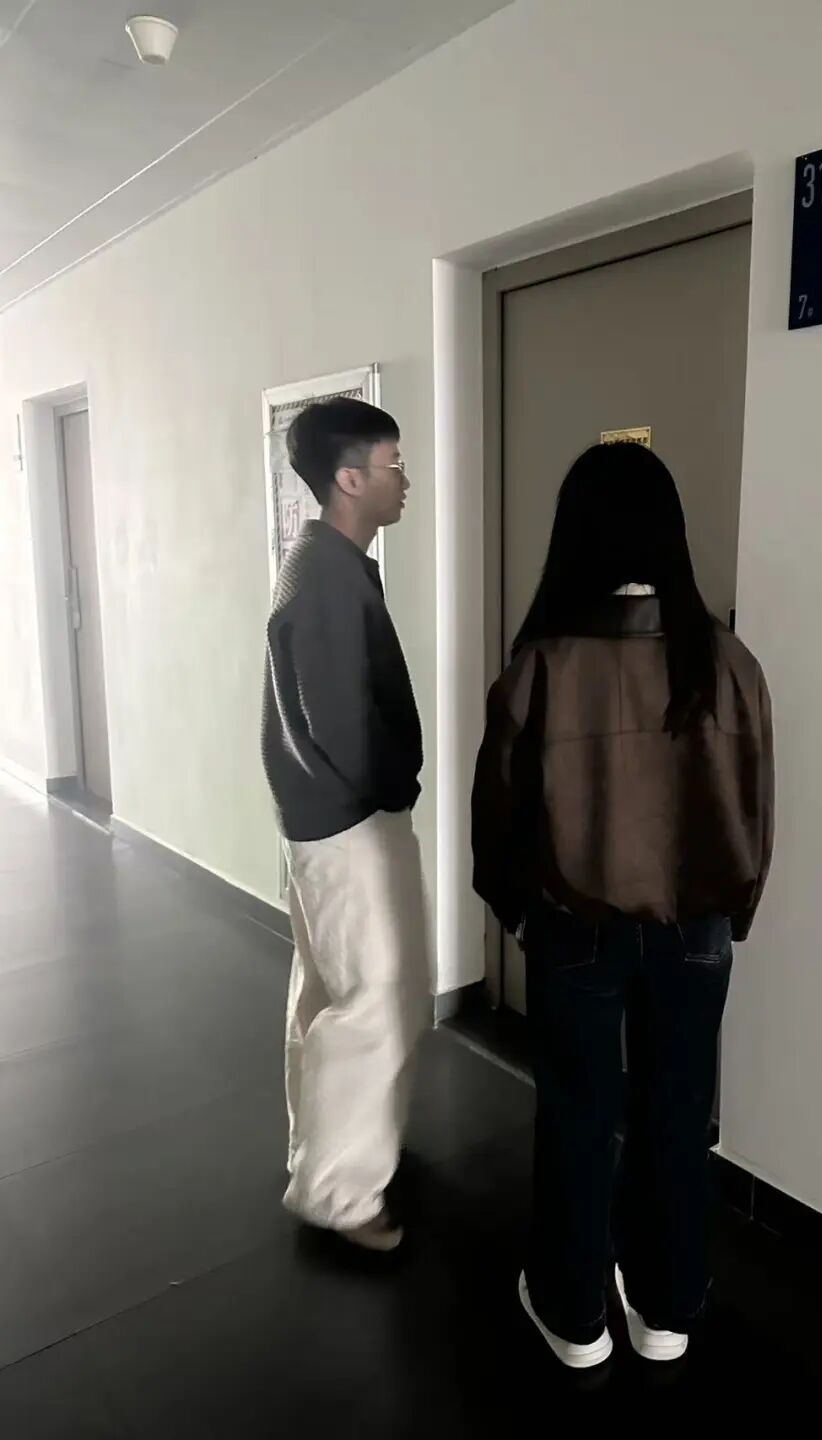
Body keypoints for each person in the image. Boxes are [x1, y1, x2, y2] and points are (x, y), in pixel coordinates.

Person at [471, 442, 774, 1367]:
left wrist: (516, 911)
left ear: (575, 536)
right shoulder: (726, 661)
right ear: (669, 534)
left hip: (575, 929)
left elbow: (500, 812)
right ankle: (666, 1310)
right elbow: (756, 805)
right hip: (697, 930)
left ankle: (575, 1318)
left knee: (577, 1115)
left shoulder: (544, 665)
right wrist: (734, 913)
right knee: (680, 1117)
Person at [261, 397, 430, 1253]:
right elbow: (343, 726)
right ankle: (342, 1193)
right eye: (394, 464)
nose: (406, 480)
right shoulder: (327, 577)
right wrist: (397, 785)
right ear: (349, 478)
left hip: (325, 819)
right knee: (376, 1000)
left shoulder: (326, 563)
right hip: (348, 821)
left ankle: (323, 1152)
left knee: (328, 991)